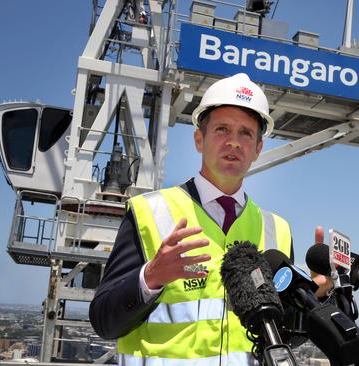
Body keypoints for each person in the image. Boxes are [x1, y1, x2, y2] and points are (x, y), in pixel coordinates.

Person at [89, 73, 329, 365]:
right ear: (199, 140)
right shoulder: (148, 213)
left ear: (257, 149)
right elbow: (104, 322)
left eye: (246, 133)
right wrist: (150, 277)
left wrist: (313, 298)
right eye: (222, 129)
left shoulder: (277, 231)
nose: (234, 142)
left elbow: (278, 336)